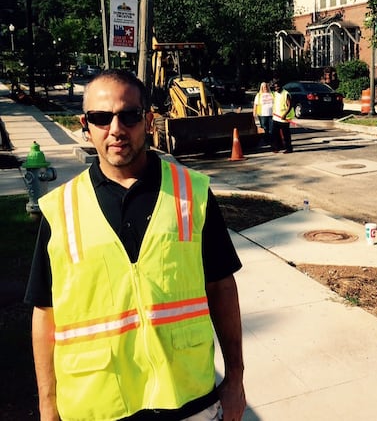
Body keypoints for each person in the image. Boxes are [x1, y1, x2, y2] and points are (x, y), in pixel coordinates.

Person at [24, 69, 246, 421]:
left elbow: (221, 287)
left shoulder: (192, 193)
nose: (116, 129)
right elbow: (44, 313)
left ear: (148, 120)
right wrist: (48, 407)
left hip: (188, 400)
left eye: (128, 115)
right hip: (96, 407)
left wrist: (235, 378)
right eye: (101, 118)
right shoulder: (61, 209)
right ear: (86, 124)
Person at [271, 79, 294, 153]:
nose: (276, 88)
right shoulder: (274, 93)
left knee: (286, 134)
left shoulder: (286, 94)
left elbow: (289, 106)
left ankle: (289, 148)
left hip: (284, 118)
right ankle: (277, 147)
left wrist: (285, 114)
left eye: (278, 87)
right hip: (276, 117)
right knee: (275, 134)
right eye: (275, 87)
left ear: (281, 86)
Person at [252, 82, 274, 146]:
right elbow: (255, 105)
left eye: (266, 86)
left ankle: (271, 141)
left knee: (271, 128)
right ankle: (266, 140)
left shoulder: (272, 94)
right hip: (262, 114)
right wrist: (254, 113)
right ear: (261, 88)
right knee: (264, 128)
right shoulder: (259, 95)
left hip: (271, 114)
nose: (265, 88)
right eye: (264, 87)